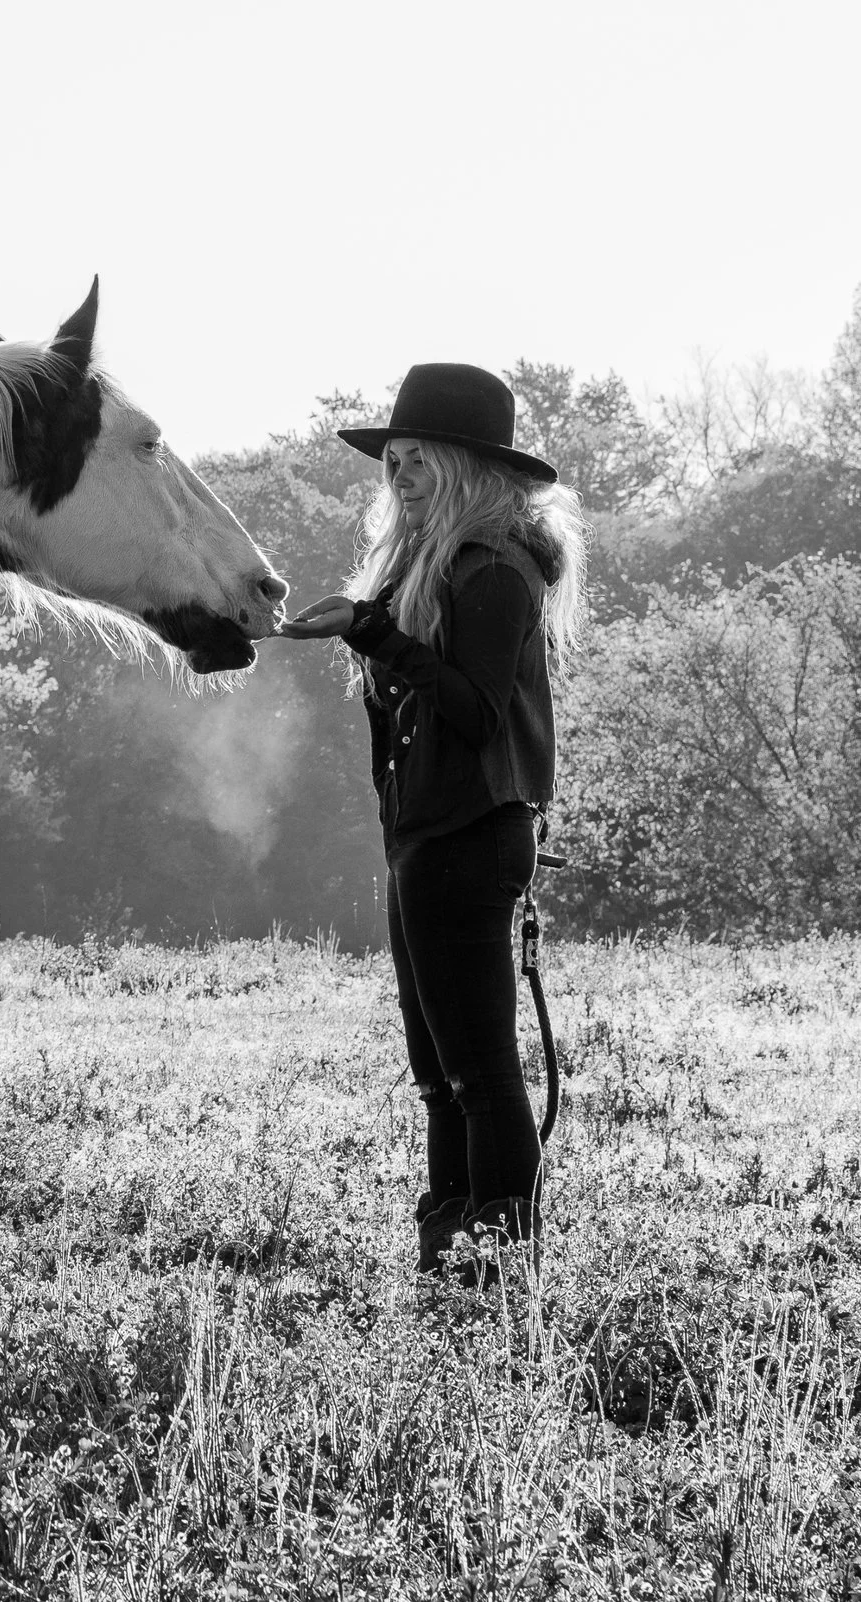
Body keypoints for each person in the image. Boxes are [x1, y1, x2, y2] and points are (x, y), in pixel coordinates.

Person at [279, 363, 586, 1279]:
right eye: (396, 459)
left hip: (467, 839)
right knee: (439, 1075)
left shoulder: (492, 573)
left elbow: (475, 713)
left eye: (420, 459)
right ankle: (452, 1259)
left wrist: (374, 634)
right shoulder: (438, 569)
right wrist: (363, 625)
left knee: (478, 1071)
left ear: (465, 470)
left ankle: (502, 1262)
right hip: (427, 839)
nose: (401, 474)